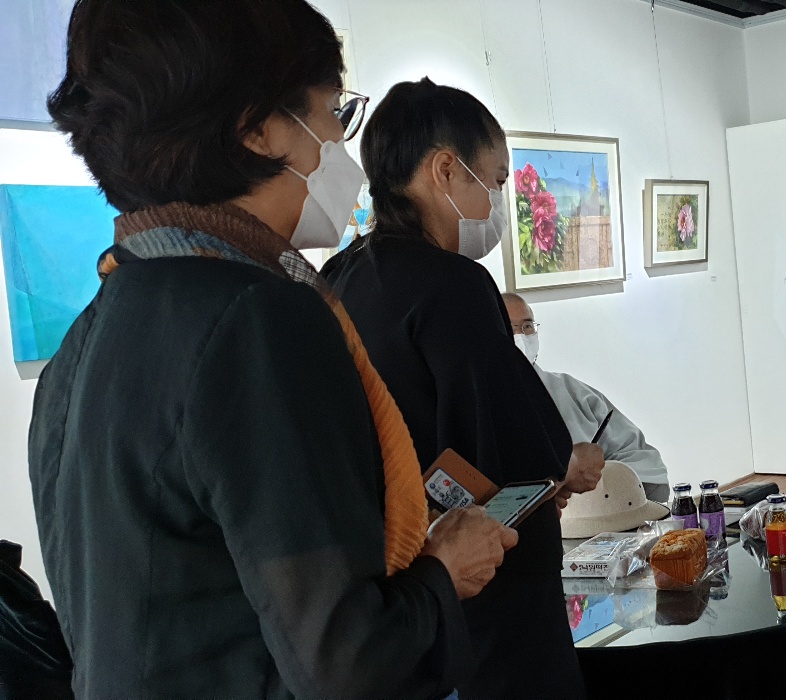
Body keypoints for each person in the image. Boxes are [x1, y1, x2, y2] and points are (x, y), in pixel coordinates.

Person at [30, 1, 515, 698]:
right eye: (333, 112)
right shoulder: (257, 317)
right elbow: (345, 658)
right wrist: (444, 569)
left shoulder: (85, 339)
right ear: (257, 129)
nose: (340, 143)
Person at [321, 78, 603, 700]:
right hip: (488, 594)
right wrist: (563, 467)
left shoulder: (339, 276)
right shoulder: (454, 285)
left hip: (396, 587)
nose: (498, 202)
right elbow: (515, 451)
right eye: (496, 181)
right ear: (446, 170)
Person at [504, 292, 671, 502]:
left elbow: (641, 458)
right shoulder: (477, 407)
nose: (520, 336)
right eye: (509, 327)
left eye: (527, 326)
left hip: (605, 512)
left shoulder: (572, 392)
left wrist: (597, 485)